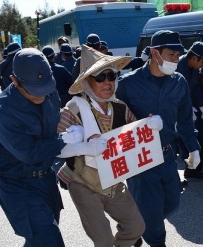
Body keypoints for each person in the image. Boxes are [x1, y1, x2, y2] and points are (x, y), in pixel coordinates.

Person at [0, 48, 105, 246]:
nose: (41, 95)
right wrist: (65, 140)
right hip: (18, 184)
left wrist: (78, 129)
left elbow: (54, 121)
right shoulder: (2, 112)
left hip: (46, 180)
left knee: (39, 240)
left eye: (45, 87)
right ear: (15, 81)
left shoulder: (49, 94)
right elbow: (30, 152)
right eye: (34, 90)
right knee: (49, 241)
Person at [116, 30, 200, 247]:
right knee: (153, 215)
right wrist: (140, 126)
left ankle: (133, 225)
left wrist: (193, 148)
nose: (176, 59)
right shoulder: (128, 84)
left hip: (166, 154)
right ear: (155, 53)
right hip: (140, 158)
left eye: (178, 55)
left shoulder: (179, 82)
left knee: (172, 201)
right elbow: (115, 124)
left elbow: (185, 119)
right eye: (171, 55)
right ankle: (152, 237)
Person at [56, 45, 146, 247]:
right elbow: (57, 147)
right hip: (83, 182)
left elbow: (136, 135)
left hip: (114, 179)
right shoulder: (73, 109)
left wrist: (150, 126)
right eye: (99, 77)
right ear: (87, 82)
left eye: (111, 76)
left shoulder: (120, 107)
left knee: (136, 227)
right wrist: (85, 147)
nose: (107, 82)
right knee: (103, 239)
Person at [176, 41, 203, 177]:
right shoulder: (178, 67)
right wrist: (187, 108)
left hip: (186, 105)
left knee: (191, 138)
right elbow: (176, 92)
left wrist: (201, 105)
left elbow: (194, 88)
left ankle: (193, 169)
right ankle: (189, 169)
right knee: (182, 140)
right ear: (194, 58)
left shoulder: (194, 68)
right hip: (176, 108)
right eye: (202, 62)